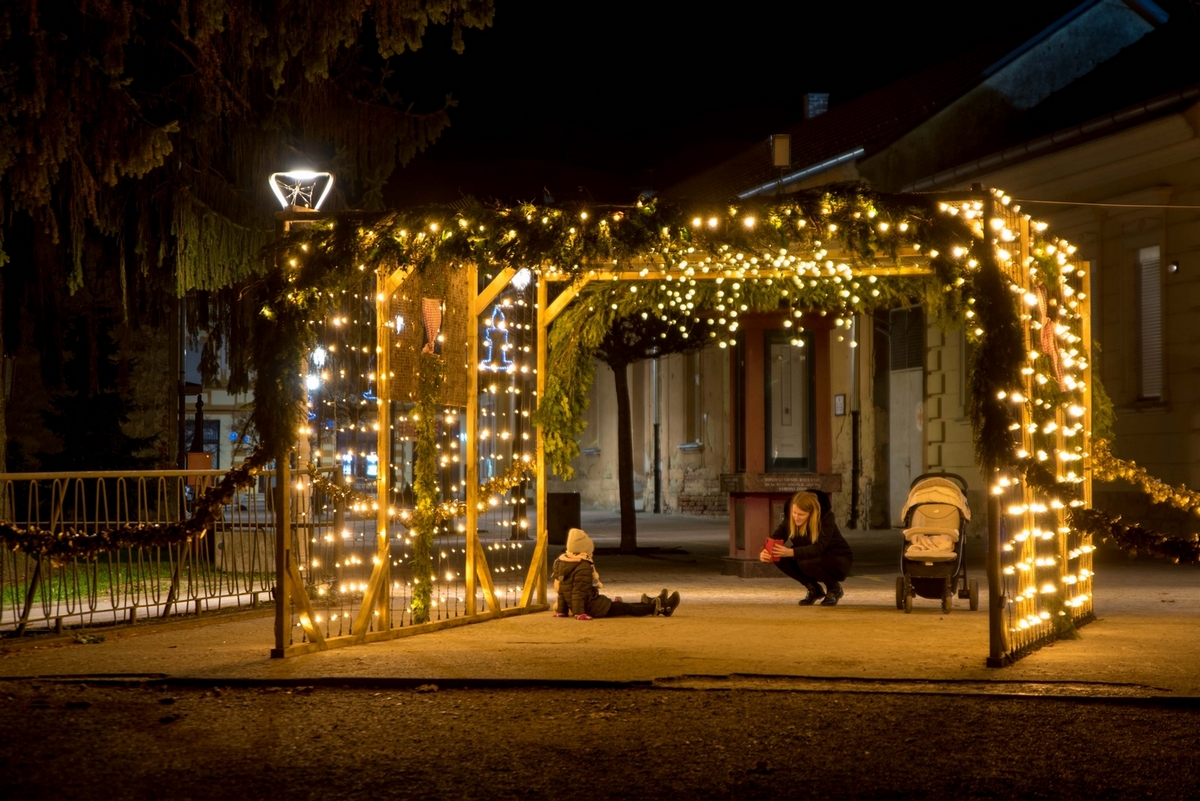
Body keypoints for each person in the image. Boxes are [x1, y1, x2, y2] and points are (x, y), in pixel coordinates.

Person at [552, 528, 681, 619]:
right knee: (626, 608)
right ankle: (660, 608)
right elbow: (578, 593)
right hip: (593, 607)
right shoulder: (583, 567)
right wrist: (579, 613)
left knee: (622, 605)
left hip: (590, 604)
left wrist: (561, 611)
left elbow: (562, 591)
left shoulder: (564, 563)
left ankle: (652, 602)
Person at [760, 490, 853, 606]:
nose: (796, 517)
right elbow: (775, 538)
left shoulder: (826, 519)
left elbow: (818, 548)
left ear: (812, 513)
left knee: (806, 562)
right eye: (794, 512)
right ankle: (813, 588)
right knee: (778, 555)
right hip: (810, 556)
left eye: (801, 514)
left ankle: (834, 588)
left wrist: (790, 552)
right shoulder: (790, 519)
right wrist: (765, 551)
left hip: (837, 558)